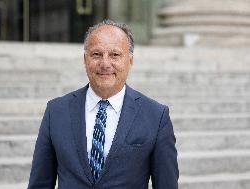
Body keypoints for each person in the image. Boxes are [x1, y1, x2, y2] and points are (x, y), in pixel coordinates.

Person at [28, 19, 179, 189]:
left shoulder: (156, 116)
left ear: (130, 61)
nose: (105, 64)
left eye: (115, 55)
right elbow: (39, 184)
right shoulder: (56, 111)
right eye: (96, 54)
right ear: (85, 59)